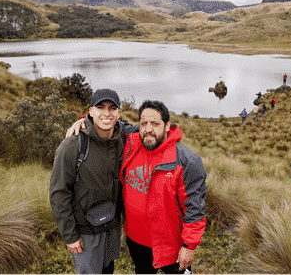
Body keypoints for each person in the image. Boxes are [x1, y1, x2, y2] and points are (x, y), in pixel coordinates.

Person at [67, 100, 207, 274]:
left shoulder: (186, 161)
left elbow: (194, 208)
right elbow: (109, 121)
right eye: (143, 123)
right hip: (136, 241)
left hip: (170, 245)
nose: (148, 129)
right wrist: (86, 120)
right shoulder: (132, 141)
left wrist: (189, 245)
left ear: (167, 126)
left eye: (155, 123)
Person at [49, 89, 138, 275]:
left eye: (112, 108)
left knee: (108, 268)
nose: (107, 113)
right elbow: (59, 193)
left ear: (119, 113)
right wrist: (70, 235)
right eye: (100, 107)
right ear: (90, 111)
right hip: (85, 231)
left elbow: (151, 128)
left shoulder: (122, 137)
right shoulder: (72, 145)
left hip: (112, 224)